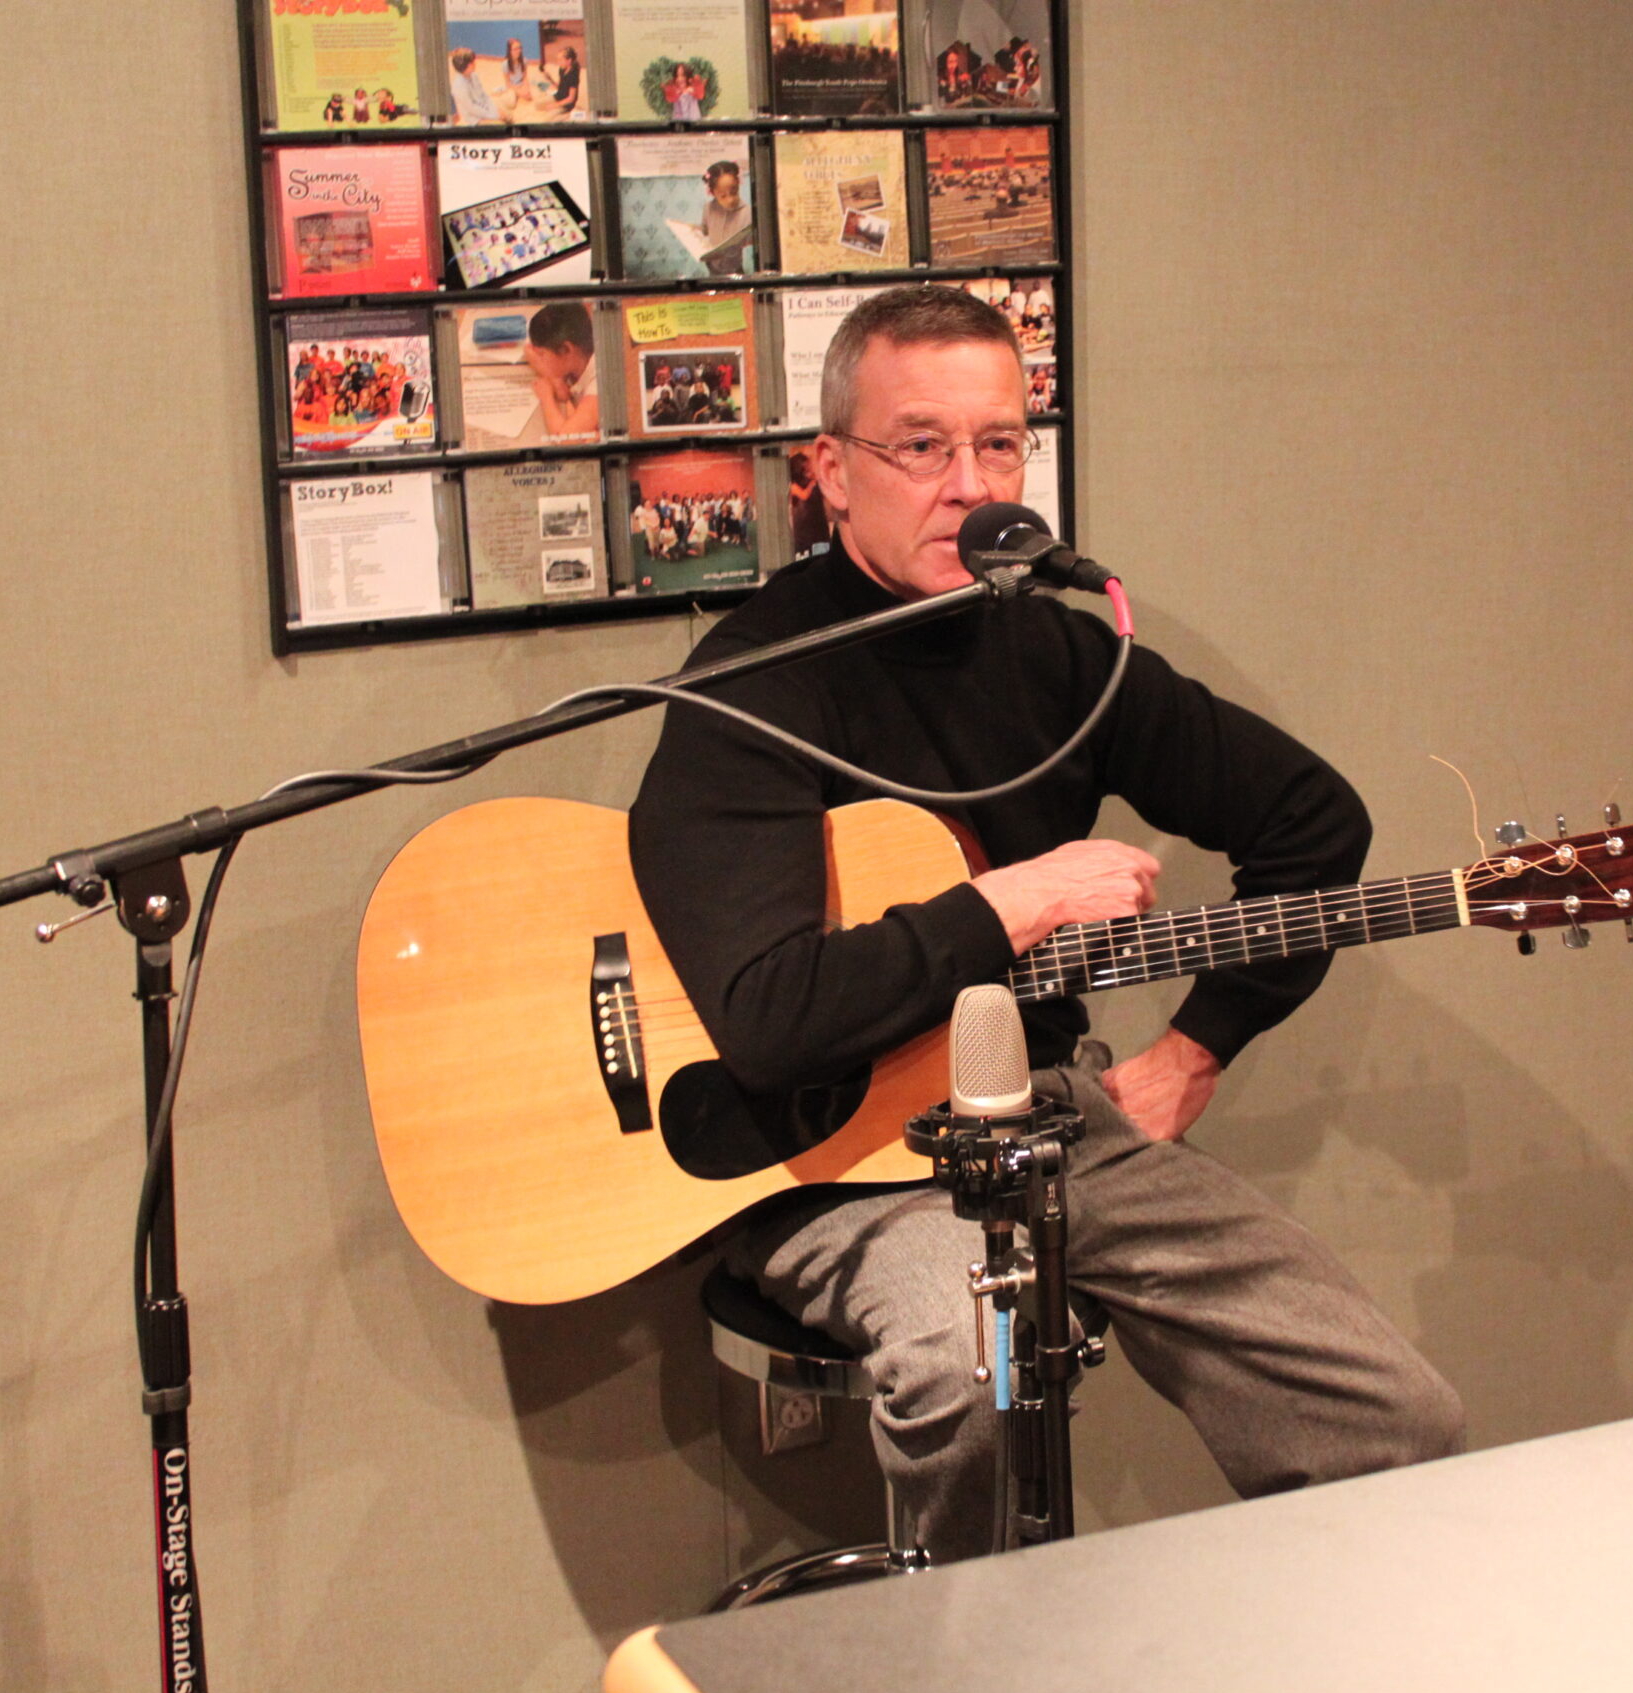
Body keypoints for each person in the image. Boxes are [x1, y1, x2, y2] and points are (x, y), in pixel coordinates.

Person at [629, 285, 1465, 1566]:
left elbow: (1312, 823)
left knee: (1391, 1415)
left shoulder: (1060, 657)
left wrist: (1193, 1052)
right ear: (832, 473)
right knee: (974, 1375)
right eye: (921, 446)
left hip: (1042, 1121)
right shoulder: (753, 686)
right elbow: (770, 1018)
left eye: (999, 444)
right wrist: (1007, 904)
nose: (969, 486)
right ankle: (969, 1654)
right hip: (827, 1165)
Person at [523, 301, 598, 439]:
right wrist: (556, 381)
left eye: (542, 354)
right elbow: (528, 349)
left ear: (565, 349)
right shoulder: (580, 355)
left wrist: (547, 398)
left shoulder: (599, 383)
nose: (540, 359)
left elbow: (565, 439)